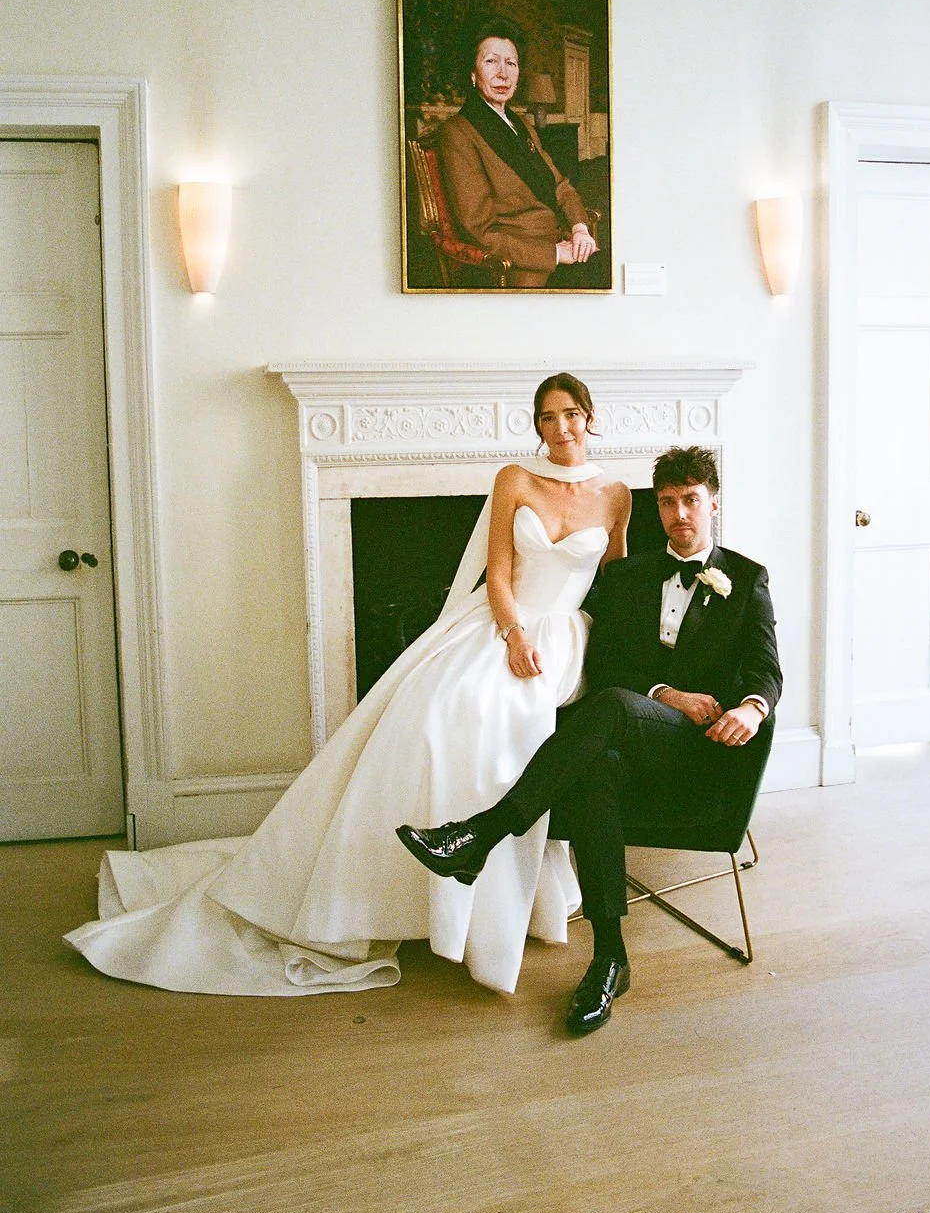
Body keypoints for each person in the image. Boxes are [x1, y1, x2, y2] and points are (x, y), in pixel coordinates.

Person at [65, 375, 631, 997]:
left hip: (567, 638)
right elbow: (497, 573)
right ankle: (413, 888)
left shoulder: (615, 493)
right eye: (547, 416)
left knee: (502, 723)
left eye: (571, 413)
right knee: (439, 711)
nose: (560, 427)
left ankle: (495, 889)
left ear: (590, 417)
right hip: (505, 625)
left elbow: (621, 579)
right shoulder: (514, 480)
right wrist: (515, 635)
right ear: (537, 425)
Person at [398, 446, 783, 1034]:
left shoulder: (748, 578)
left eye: (691, 501)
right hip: (637, 732)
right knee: (596, 761)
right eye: (669, 503)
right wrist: (666, 694)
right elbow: (608, 666)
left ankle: (480, 833)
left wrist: (753, 710)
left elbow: (766, 670)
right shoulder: (631, 575)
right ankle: (610, 958)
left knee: (603, 717)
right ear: (658, 508)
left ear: (713, 503)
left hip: (699, 749)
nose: (680, 514)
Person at [436, 16, 599, 289]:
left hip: (561, 242)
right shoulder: (458, 133)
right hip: (523, 267)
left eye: (511, 63)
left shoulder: (520, 123)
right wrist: (555, 254)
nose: (503, 73)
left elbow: (560, 185)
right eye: (491, 61)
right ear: (472, 74)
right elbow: (480, 232)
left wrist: (580, 228)